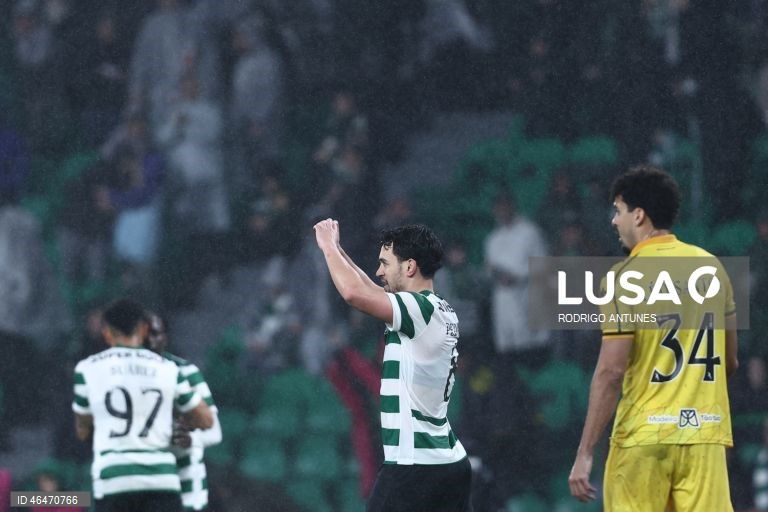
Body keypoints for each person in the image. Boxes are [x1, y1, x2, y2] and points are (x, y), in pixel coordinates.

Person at [568, 165, 739, 510]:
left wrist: (585, 452)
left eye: (618, 211)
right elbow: (729, 361)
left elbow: (611, 372)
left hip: (644, 438)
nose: (614, 221)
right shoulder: (711, 268)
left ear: (639, 215)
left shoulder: (624, 278)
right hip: (704, 437)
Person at [313, 220, 472, 512]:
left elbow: (353, 293)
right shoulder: (438, 309)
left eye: (385, 264)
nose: (379, 272)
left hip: (415, 466)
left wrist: (326, 249)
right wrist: (338, 249)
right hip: (447, 462)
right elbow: (370, 288)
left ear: (409, 267)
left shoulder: (418, 309)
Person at [72, 298, 213, 512]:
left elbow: (83, 431)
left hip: (114, 479)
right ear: (144, 329)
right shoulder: (168, 368)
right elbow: (206, 419)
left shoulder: (87, 369)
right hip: (161, 480)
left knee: (33, 499)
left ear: (107, 332)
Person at [144, 311, 222, 512]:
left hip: (185, 487)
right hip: (144, 486)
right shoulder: (120, 377)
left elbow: (215, 432)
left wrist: (190, 440)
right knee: (70, 499)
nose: (150, 340)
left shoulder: (186, 372)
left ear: (165, 337)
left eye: (156, 333)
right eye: (143, 334)